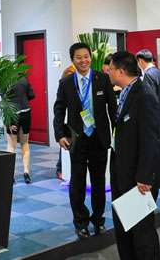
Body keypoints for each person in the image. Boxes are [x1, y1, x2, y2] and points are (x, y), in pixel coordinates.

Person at [53, 42, 117, 239]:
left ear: (91, 57)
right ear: (73, 60)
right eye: (79, 57)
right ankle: (80, 223)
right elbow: (59, 110)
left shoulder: (102, 78)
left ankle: (98, 220)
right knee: (77, 183)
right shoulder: (66, 83)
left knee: (99, 182)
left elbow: (112, 108)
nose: (83, 61)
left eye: (86, 56)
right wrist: (60, 135)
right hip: (77, 140)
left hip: (99, 139)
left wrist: (118, 132)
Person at [107, 51, 160, 260]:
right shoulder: (126, 92)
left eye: (111, 68)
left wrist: (145, 176)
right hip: (123, 171)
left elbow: (151, 139)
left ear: (121, 71)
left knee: (142, 230)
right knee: (125, 226)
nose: (108, 72)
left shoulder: (144, 94)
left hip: (139, 177)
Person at [136, 49, 160, 188]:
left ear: (140, 61)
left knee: (154, 149)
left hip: (153, 118)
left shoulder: (148, 75)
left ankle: (159, 178)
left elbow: (150, 99)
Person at [5, 76, 35, 183]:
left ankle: (10, 175)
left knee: (11, 145)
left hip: (12, 113)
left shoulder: (5, 79)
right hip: (26, 112)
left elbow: (2, 100)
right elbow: (32, 95)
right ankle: (26, 172)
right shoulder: (24, 79)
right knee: (25, 143)